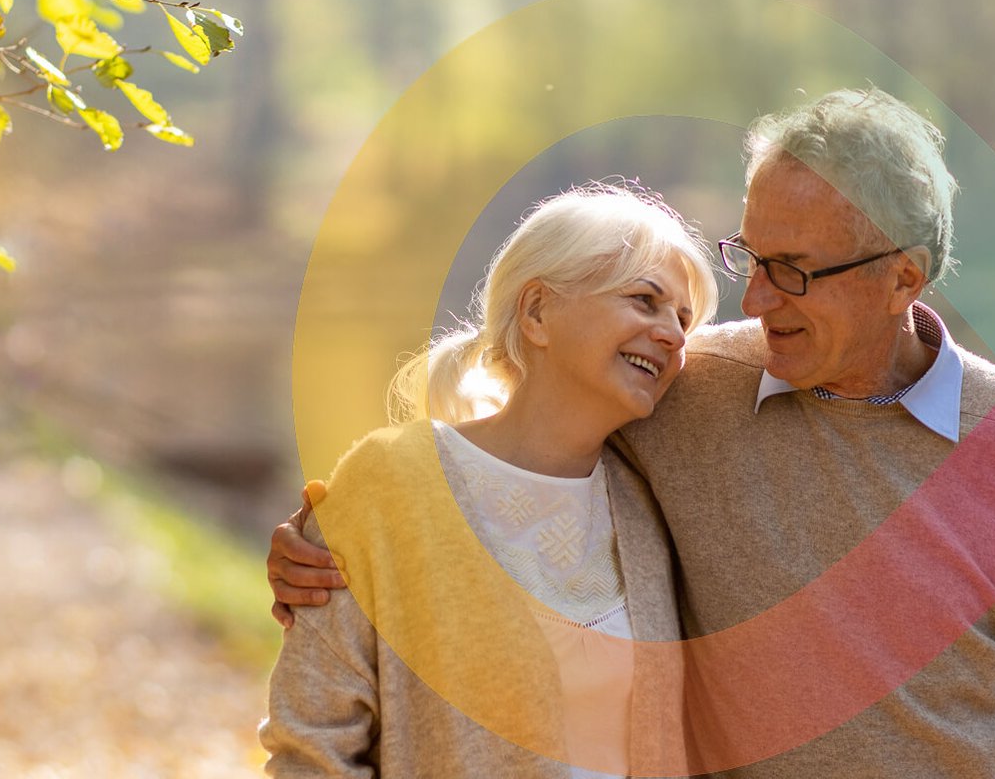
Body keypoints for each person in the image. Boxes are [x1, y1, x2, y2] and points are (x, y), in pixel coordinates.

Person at [266, 89, 995, 775]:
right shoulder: (684, 388)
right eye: (749, 259)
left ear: (900, 278)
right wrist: (328, 544)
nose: (753, 304)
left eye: (791, 272)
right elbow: (515, 454)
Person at [259, 181, 719, 777]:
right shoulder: (391, 482)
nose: (674, 336)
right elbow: (310, 747)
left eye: (684, 320)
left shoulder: (654, 509)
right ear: (536, 312)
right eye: (644, 300)